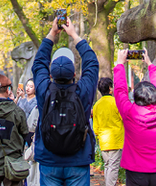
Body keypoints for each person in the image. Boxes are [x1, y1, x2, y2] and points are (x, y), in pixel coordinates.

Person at [32, 16, 99, 186]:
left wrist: (52, 33)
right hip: (78, 159)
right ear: (74, 75)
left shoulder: (43, 91)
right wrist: (75, 35)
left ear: (51, 75)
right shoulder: (83, 91)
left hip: (49, 159)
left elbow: (39, 63)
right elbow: (91, 63)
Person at [113, 50, 156, 186]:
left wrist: (120, 64)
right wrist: (150, 64)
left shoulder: (128, 112)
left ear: (136, 98)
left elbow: (120, 90)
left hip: (135, 169)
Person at [92, 77, 124, 186]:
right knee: (113, 167)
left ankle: (109, 184)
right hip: (116, 140)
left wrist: (98, 135)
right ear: (110, 89)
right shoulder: (116, 102)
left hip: (103, 140)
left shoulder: (97, 105)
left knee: (107, 165)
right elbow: (123, 118)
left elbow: (95, 126)